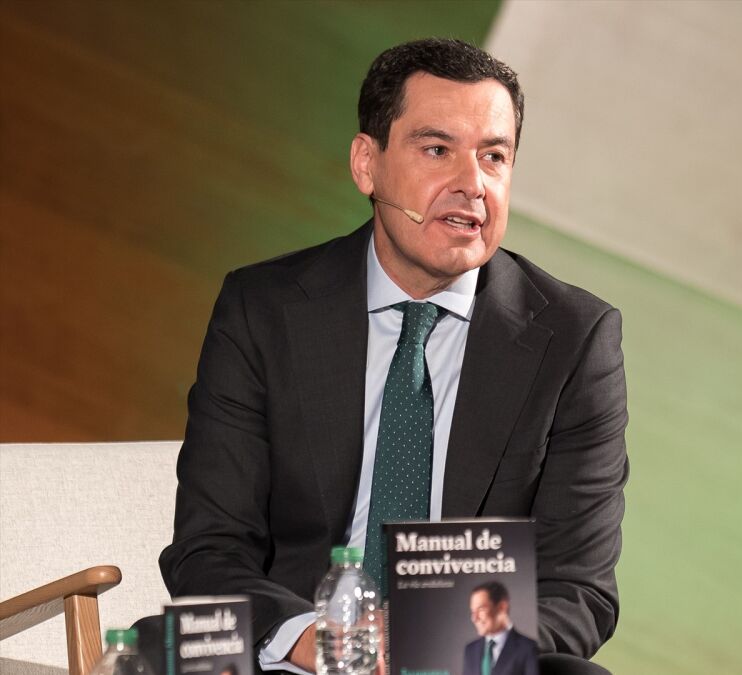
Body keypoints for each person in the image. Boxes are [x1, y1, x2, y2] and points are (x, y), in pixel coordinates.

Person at [156, 38, 627, 674]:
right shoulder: (262, 309)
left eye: (494, 157)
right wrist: (316, 640)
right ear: (366, 165)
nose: (472, 185)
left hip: (468, 659)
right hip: (299, 653)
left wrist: (443, 644)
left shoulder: (574, 338)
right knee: (168, 650)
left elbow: (578, 591)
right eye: (437, 150)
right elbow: (209, 549)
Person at [463, 581, 538, 675]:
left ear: (502, 607)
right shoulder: (470, 650)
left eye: (481, 609)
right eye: (473, 611)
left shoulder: (527, 648)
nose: (474, 618)